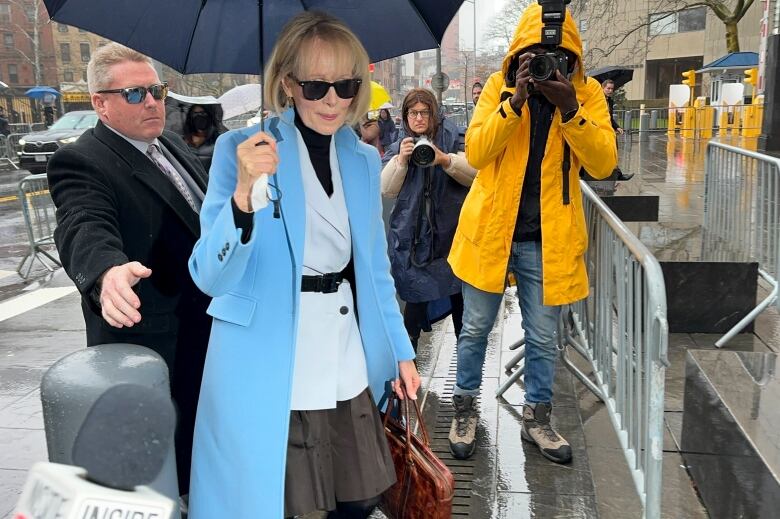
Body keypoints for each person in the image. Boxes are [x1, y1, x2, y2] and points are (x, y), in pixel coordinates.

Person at [187, 12, 420, 519]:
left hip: (343, 354)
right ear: (289, 83)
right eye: (316, 85)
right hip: (270, 355)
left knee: (358, 497)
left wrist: (402, 352)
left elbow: (376, 270)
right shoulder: (241, 150)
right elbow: (208, 275)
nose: (332, 100)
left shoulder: (360, 158)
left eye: (346, 85)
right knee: (288, 504)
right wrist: (244, 196)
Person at [446, 3, 617, 464]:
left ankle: (537, 419)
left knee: (543, 338)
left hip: (548, 240)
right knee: (475, 330)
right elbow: (478, 153)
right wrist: (514, 103)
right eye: (536, 53)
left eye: (557, 55)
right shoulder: (501, 92)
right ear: (519, 54)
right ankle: (464, 410)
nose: (547, 63)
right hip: (491, 234)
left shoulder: (588, 97)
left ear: (573, 57)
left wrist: (570, 109)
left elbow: (603, 165)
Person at [47, 43, 211, 496]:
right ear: (100, 102)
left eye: (156, 91)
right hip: (153, 346)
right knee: (156, 476)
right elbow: (84, 224)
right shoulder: (81, 160)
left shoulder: (170, 143)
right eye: (135, 94)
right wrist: (106, 272)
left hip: (204, 333)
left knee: (200, 459)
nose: (153, 102)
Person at [381, 88, 476, 351]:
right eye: (413, 113)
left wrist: (445, 159)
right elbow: (386, 189)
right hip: (412, 238)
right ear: (406, 115)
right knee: (414, 296)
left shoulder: (454, 136)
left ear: (434, 114)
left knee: (460, 299)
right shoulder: (400, 142)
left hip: (451, 235)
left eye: (424, 112)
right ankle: (407, 365)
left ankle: (466, 374)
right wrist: (401, 160)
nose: (419, 118)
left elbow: (476, 174)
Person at [602, 78, 633, 181]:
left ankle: (617, 174)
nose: (610, 91)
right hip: (599, 130)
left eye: (612, 89)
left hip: (607, 130)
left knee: (614, 151)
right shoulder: (598, 99)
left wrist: (617, 127)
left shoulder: (610, 101)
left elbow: (609, 117)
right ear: (603, 88)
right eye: (608, 88)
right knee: (609, 152)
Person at [182, 104, 221, 171]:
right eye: (195, 113)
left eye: (202, 113)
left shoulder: (219, 141)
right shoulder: (182, 141)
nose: (199, 116)